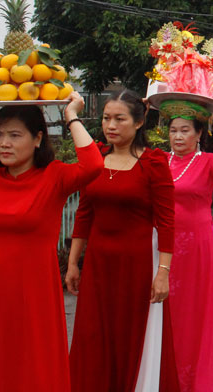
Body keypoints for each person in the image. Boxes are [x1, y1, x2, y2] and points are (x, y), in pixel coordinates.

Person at [0, 94, 100, 392]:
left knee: (34, 370)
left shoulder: (54, 177)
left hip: (35, 295)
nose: (3, 143)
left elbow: (93, 166)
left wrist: (71, 115)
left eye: (14, 135)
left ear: (37, 139)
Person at [67, 89, 178, 391]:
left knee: (131, 336)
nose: (110, 125)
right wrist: (73, 262)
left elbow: (167, 222)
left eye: (119, 119)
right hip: (99, 265)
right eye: (106, 119)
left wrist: (163, 273)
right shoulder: (95, 160)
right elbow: (84, 213)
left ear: (139, 122)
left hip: (138, 265)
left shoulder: (154, 163)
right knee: (94, 336)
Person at [161, 96, 213, 392]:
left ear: (198, 135)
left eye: (184, 130)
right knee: (164, 312)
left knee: (193, 314)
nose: (178, 136)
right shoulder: (159, 161)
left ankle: (195, 380)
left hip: (196, 247)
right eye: (173, 131)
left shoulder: (206, 162)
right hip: (162, 246)